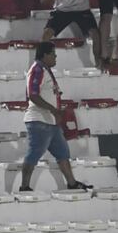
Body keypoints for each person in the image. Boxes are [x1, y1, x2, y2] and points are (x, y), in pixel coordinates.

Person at [20, 41, 92, 191]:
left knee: (62, 153)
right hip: (39, 120)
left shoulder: (44, 69)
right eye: (53, 54)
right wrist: (53, 109)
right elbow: (33, 95)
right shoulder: (37, 70)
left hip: (50, 122)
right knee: (34, 154)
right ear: (45, 55)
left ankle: (72, 183)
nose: (55, 58)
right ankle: (24, 186)